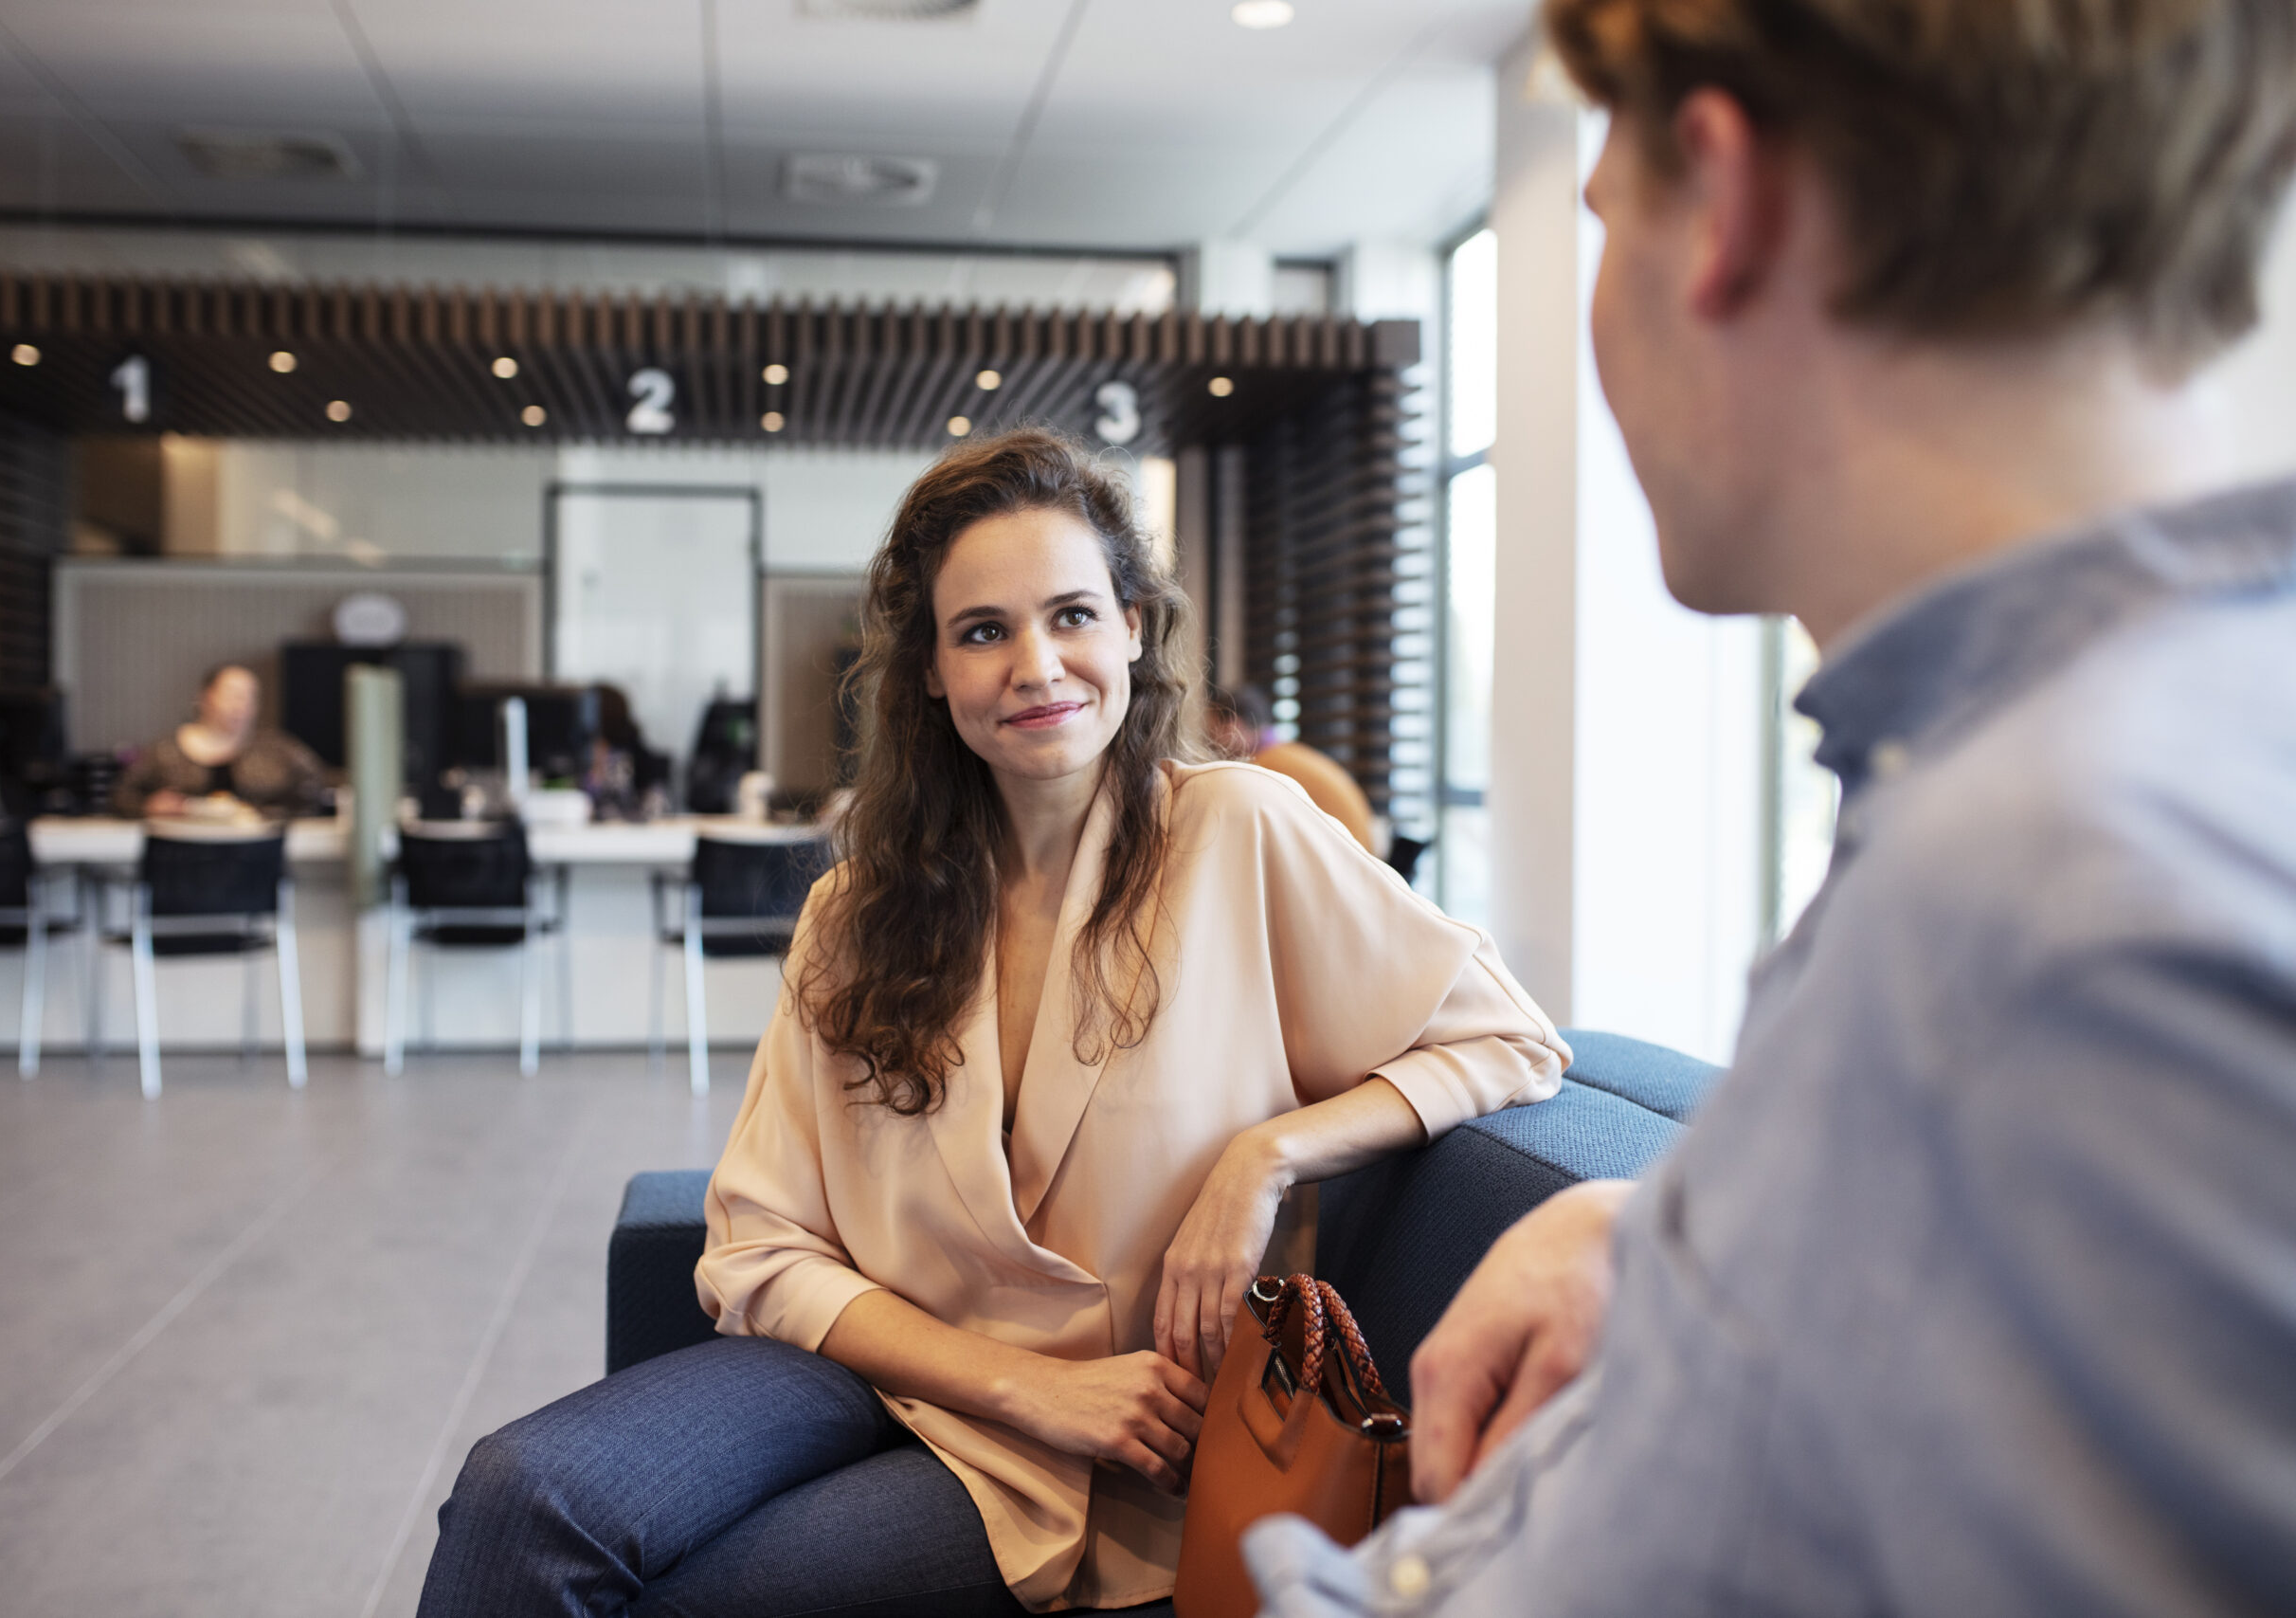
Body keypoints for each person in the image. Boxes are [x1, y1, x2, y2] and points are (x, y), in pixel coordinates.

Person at [1252, 1, 2296, 1614]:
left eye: (1604, 215)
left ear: (1724, 205)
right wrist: (1694, 1237)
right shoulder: (2056, 812)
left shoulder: (2057, 909)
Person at [415, 428, 1570, 1617]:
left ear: (1132, 625)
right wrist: (1018, 1383)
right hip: (883, 1371)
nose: (1036, 665)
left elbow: (1511, 1042)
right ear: (930, 670)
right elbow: (757, 1249)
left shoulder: (1237, 833)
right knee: (517, 1494)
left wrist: (1264, 1156)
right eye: (983, 631)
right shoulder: (854, 909)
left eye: (1071, 614)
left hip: (1086, 1463)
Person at [112, 663, 327, 821]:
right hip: (183, 853)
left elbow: (317, 789)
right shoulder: (165, 750)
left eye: (250, 697)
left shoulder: (278, 748)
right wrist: (148, 806)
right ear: (205, 697)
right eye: (232, 695)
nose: (241, 705)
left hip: (256, 854)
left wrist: (271, 814)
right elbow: (121, 795)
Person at [1206, 683, 1383, 854]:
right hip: (1359, 858)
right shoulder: (1285, 755)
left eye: (1213, 730)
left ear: (1234, 725)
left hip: (1345, 862)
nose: (1210, 741)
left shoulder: (1265, 766)